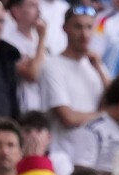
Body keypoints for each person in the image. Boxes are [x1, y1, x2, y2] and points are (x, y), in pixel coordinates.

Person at [40, 5, 109, 162]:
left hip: (94, 156)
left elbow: (116, 100)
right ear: (65, 29)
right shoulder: (52, 65)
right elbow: (68, 117)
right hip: (64, 155)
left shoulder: (96, 65)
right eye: (78, 27)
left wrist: (99, 68)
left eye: (89, 27)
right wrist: (106, 116)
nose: (84, 34)